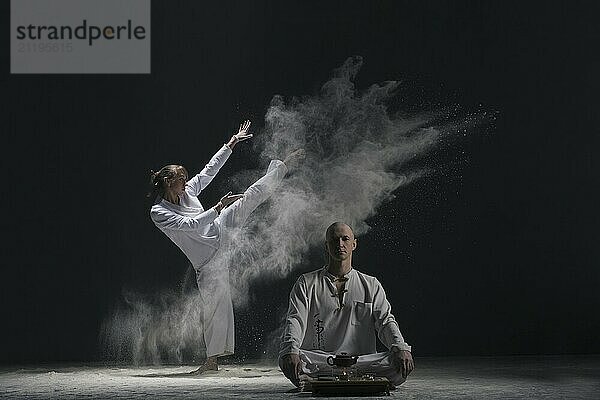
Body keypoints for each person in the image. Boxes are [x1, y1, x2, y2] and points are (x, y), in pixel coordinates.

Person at [149, 120, 304, 374]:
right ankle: (211, 362)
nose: (186, 183)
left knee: (250, 195)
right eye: (181, 179)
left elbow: (208, 172)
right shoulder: (159, 212)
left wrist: (230, 144)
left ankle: (283, 165)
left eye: (186, 179)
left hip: (221, 228)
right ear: (167, 181)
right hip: (208, 262)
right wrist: (218, 207)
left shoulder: (187, 192)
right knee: (215, 307)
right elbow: (191, 225)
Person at [279, 222, 414, 388]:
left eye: (345, 239)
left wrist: (400, 346)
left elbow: (386, 321)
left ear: (354, 244)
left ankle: (321, 381)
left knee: (397, 362)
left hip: (360, 362)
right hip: (320, 361)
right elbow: (295, 319)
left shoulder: (371, 284)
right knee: (290, 357)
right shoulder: (306, 283)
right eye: (334, 240)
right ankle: (350, 380)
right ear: (326, 246)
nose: (340, 244)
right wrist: (291, 350)